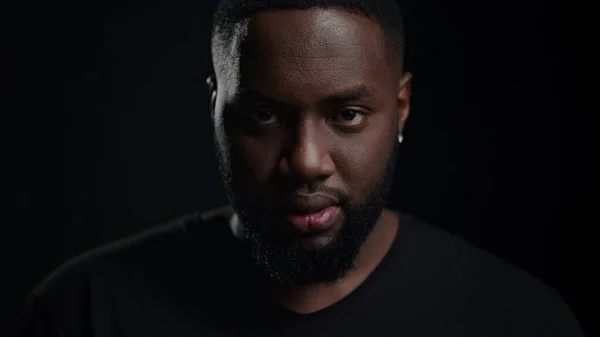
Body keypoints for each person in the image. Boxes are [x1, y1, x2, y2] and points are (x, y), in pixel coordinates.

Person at [16, 0, 584, 336]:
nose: (306, 162)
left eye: (349, 114)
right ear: (215, 110)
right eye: (264, 114)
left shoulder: (517, 320)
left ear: (402, 108)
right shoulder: (85, 315)